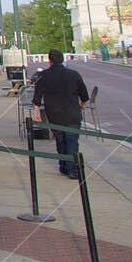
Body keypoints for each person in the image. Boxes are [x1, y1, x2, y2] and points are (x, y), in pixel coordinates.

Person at [31, 48, 90, 179]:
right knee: (72, 141)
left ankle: (63, 165)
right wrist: (82, 104)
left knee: (60, 140)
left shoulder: (42, 76)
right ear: (62, 59)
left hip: (54, 113)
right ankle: (72, 169)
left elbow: (37, 96)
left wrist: (36, 111)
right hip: (72, 112)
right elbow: (84, 94)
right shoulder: (73, 74)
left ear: (49, 60)